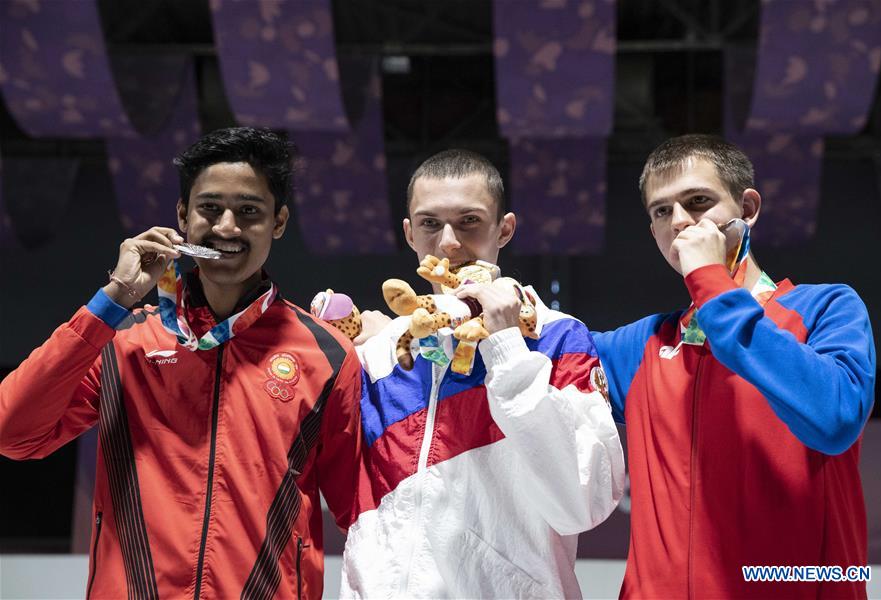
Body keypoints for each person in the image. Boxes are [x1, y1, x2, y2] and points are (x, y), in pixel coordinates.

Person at [0, 127, 362, 599]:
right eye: (210, 208)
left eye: (249, 211)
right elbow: (13, 433)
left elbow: (359, 509)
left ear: (279, 221)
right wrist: (113, 301)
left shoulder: (327, 355)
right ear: (182, 217)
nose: (227, 227)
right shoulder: (121, 341)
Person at [592, 134, 875, 598]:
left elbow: (835, 419)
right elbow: (536, 353)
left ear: (747, 208)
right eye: (661, 211)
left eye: (698, 201)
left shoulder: (827, 308)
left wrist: (711, 282)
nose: (680, 222)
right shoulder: (641, 345)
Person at [339, 149, 625, 598]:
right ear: (410, 234)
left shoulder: (556, 338)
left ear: (504, 229)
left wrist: (507, 348)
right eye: (431, 223)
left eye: (469, 221)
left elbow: (582, 504)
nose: (449, 242)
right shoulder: (381, 354)